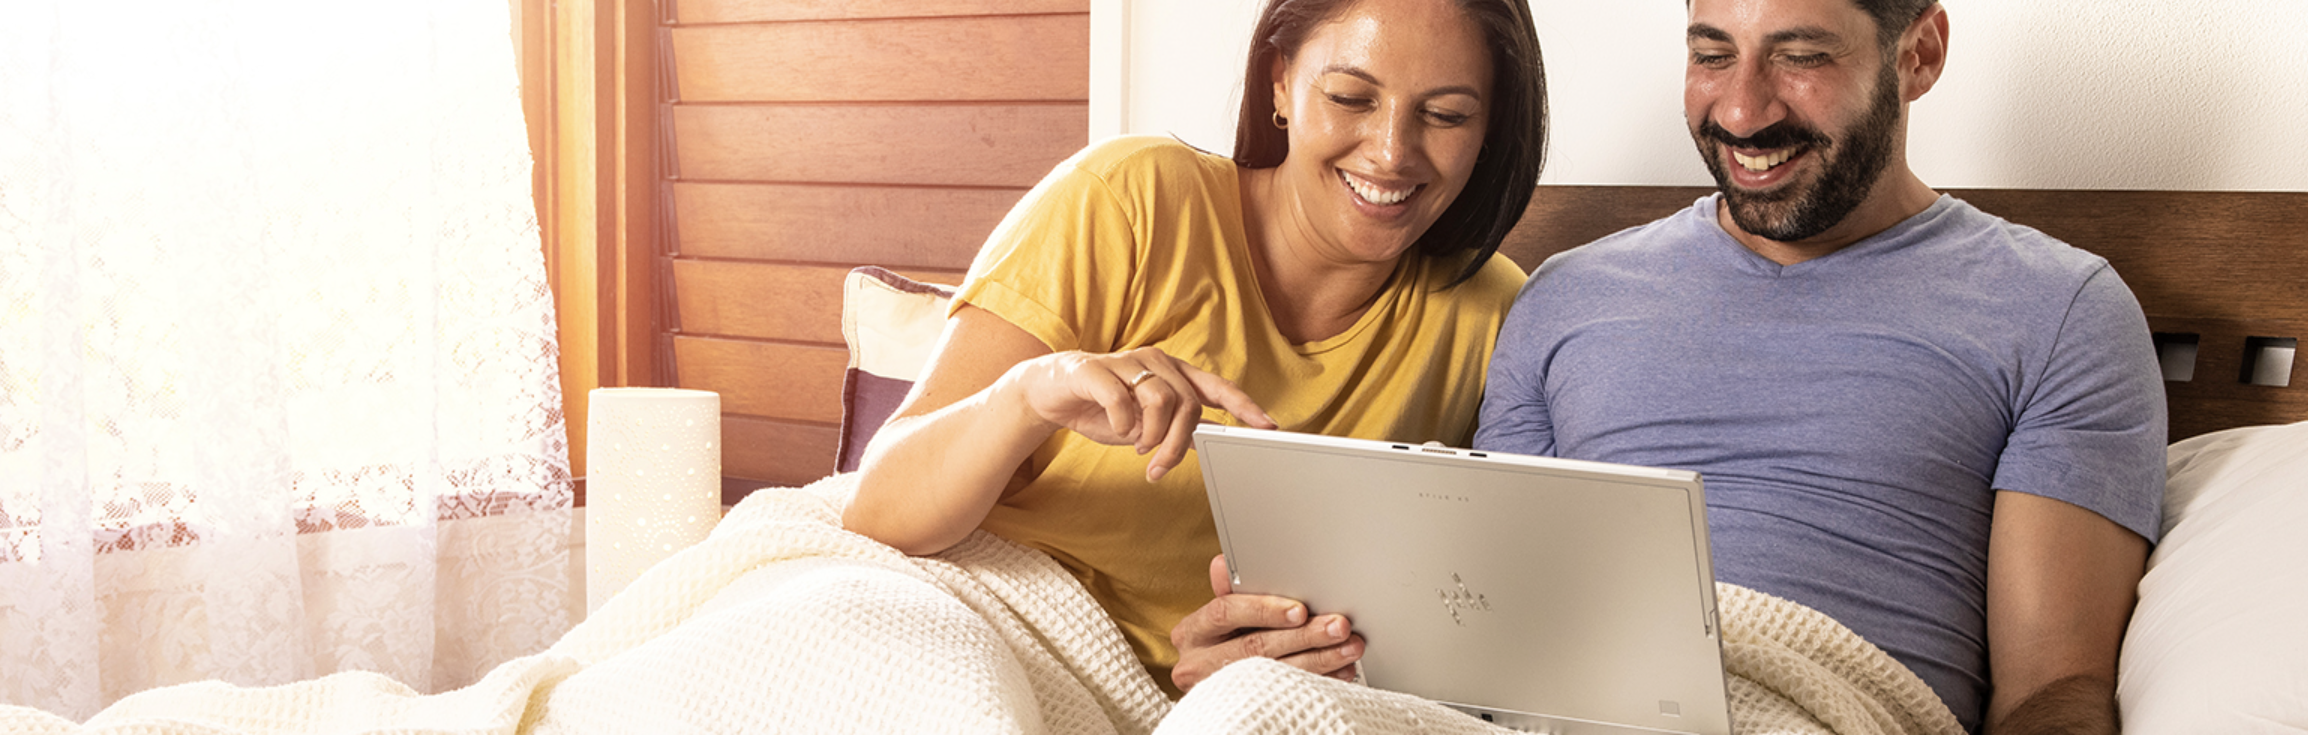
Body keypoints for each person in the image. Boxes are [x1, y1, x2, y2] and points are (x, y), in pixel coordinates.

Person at [1461, 0, 2158, 732]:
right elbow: (1486, 625)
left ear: (1918, 54)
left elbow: (2053, 688)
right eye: (1712, 55)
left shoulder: (2058, 308)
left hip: (1829, 705)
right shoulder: (1565, 296)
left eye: (1801, 57)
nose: (1742, 111)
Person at [840, 0, 1548, 695]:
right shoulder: (1130, 198)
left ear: (1490, 127)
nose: (1392, 152)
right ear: (1280, 83)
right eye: (1350, 98)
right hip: (983, 629)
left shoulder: (1496, 316)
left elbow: (1477, 613)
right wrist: (1028, 395)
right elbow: (877, 508)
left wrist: (1275, 664)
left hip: (1222, 704)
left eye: (1445, 115)